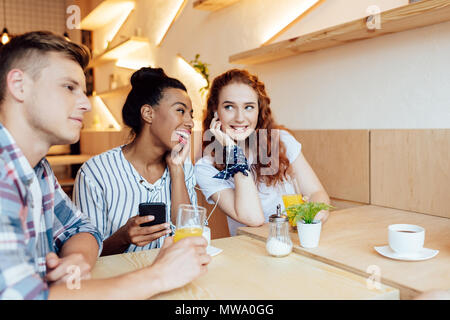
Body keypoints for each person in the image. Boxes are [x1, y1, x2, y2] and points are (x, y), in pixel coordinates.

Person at [0, 31, 210, 300]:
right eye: (69, 87)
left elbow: (81, 230)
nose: (86, 104)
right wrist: (159, 275)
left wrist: (76, 259)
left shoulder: (37, 170)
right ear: (19, 85)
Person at [73, 67, 198, 256]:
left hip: (174, 275)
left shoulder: (183, 165)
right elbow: (83, 257)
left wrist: (177, 170)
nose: (190, 122)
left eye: (191, 114)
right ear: (148, 113)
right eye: (180, 111)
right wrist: (122, 238)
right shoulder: (95, 173)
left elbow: (191, 238)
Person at [194, 69, 330, 236]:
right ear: (216, 112)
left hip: (293, 243)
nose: (240, 118)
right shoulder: (206, 168)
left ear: (259, 111)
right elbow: (254, 218)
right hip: (250, 253)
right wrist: (233, 153)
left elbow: (317, 193)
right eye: (229, 107)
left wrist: (310, 219)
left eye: (249, 107)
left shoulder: (282, 141)